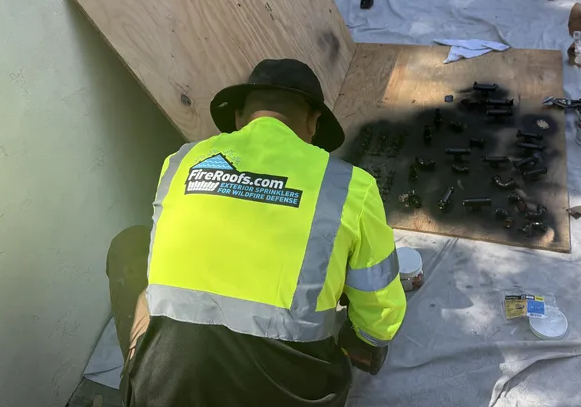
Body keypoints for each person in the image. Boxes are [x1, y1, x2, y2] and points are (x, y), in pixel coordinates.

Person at [106, 58, 407, 407]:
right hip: (295, 397)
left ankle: (138, 371)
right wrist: (359, 336)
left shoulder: (181, 162)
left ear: (238, 117)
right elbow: (380, 318)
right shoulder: (350, 186)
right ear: (314, 123)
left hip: (168, 394)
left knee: (131, 246)